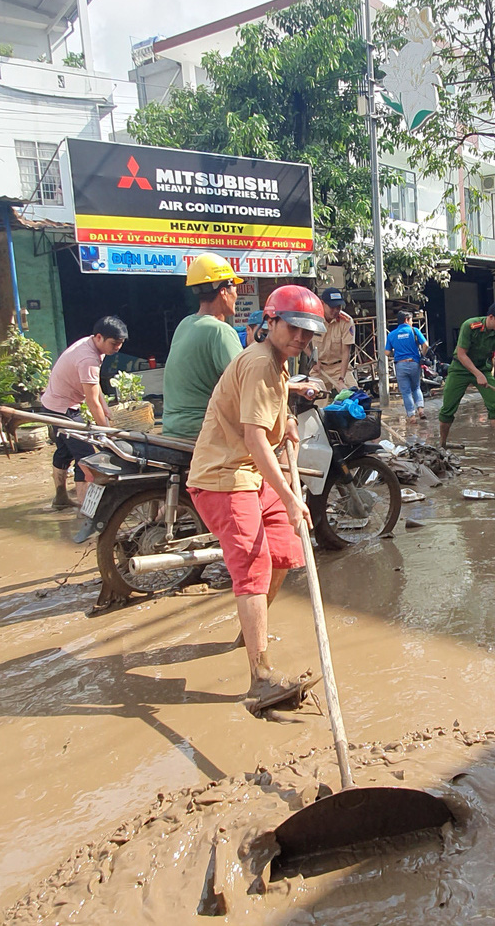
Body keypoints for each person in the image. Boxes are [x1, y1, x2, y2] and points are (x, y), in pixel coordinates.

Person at [187, 285, 329, 712]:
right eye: (293, 328)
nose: (300, 338)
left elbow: (262, 416)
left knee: (285, 552)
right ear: (272, 321)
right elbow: (253, 438)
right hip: (223, 477)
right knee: (254, 564)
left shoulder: (278, 364)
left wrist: (284, 419)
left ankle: (251, 629)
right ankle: (260, 678)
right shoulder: (261, 362)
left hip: (249, 473)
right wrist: (289, 493)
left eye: (308, 333)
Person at [40, 317, 128, 510]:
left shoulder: (92, 347)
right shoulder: (88, 358)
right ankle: (86, 507)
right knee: (86, 455)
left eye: (120, 344)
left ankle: (61, 498)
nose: (117, 348)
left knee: (64, 451)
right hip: (61, 409)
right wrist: (106, 433)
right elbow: (91, 401)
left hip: (56, 404)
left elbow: (95, 389)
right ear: (99, 337)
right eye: (114, 344)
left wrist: (106, 411)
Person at [162, 253, 245, 442]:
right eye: (234, 288)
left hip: (173, 428)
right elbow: (247, 382)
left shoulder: (185, 324)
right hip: (203, 432)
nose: (236, 295)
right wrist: (291, 387)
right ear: (224, 292)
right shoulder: (220, 331)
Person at [438, 301, 495, 452]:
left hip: (483, 369)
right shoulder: (470, 326)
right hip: (460, 369)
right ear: (492, 317)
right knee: (447, 409)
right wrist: (477, 374)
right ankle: (442, 443)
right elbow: (461, 354)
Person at [387, 310, 431, 421]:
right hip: (414, 363)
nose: (412, 322)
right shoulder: (414, 331)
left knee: (406, 392)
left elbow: (386, 353)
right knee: (416, 387)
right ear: (406, 320)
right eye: (411, 320)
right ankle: (420, 410)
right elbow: (425, 345)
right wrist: (422, 356)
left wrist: (396, 353)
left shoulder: (392, 334)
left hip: (400, 365)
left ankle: (411, 416)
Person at [312, 288, 356, 392]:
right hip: (320, 367)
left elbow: (346, 352)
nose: (336, 310)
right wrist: (314, 360)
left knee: (355, 397)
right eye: (332, 307)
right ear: (322, 303)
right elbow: (303, 344)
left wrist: (341, 379)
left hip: (340, 367)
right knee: (314, 399)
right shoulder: (313, 319)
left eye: (338, 307)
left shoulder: (346, 321)